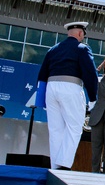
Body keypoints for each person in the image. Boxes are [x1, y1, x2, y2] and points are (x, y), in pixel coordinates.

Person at [36, 22, 99, 170]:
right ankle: (64, 164)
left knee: (55, 129)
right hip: (70, 87)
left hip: (51, 88)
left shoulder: (52, 50)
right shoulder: (82, 49)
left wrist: (41, 97)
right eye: (83, 34)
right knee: (75, 127)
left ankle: (55, 166)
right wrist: (93, 97)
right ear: (79, 33)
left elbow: (42, 75)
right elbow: (90, 74)